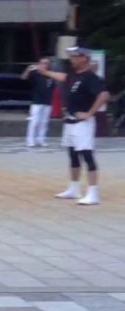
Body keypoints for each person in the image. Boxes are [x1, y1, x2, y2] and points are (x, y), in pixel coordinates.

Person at [37, 46, 109, 205]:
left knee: (87, 156)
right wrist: (46, 72)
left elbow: (104, 95)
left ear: (84, 58)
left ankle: (93, 192)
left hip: (82, 123)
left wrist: (90, 113)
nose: (72, 59)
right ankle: (73, 188)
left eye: (75, 56)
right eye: (71, 56)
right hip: (69, 121)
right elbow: (62, 77)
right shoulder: (74, 75)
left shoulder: (91, 77)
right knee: (73, 156)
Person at [23, 57, 55, 147]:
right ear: (39, 64)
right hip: (37, 101)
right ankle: (30, 140)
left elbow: (52, 88)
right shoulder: (35, 74)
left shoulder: (50, 75)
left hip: (47, 102)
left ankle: (41, 139)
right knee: (34, 121)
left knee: (44, 121)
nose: (45, 65)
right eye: (43, 63)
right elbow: (23, 78)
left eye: (47, 63)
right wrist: (28, 69)